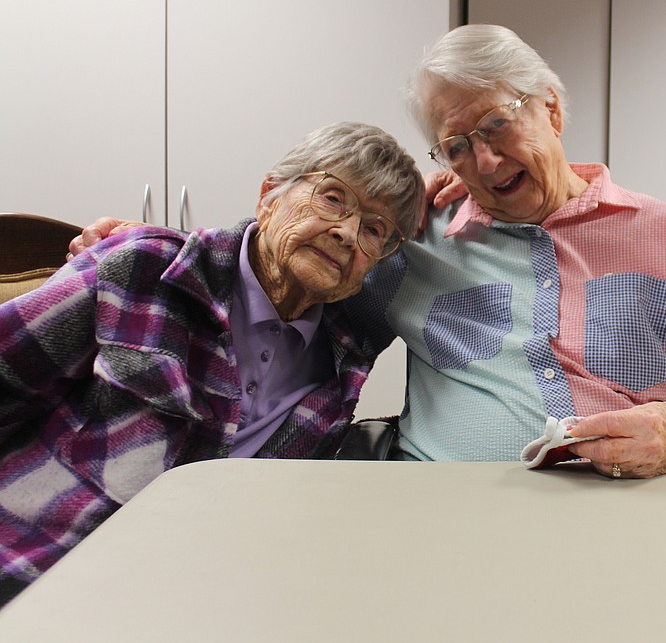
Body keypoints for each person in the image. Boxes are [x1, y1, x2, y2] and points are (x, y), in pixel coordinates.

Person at [70, 25, 666, 480]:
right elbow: (279, 261)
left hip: (639, 509)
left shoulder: (661, 229)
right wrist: (146, 248)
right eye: (457, 145)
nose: (484, 159)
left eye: (497, 126)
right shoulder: (411, 240)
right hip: (444, 520)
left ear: (553, 110)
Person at [0, 121, 424, 606]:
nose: (348, 233)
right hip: (44, 573)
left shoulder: (345, 355)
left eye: (374, 230)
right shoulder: (141, 269)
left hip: (205, 595)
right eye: (333, 198)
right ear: (268, 197)